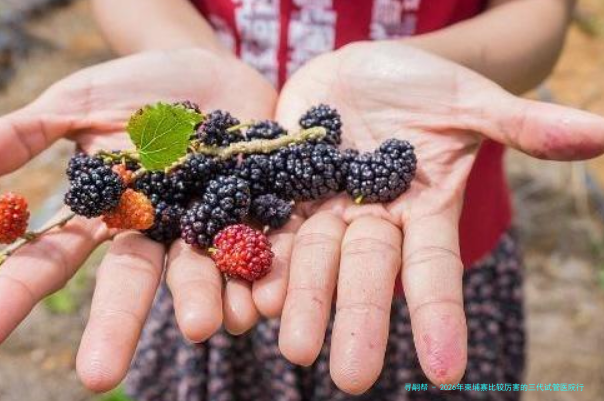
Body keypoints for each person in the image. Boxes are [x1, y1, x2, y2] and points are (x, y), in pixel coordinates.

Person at [0, 0, 602, 400]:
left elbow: (537, 12)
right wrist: (185, 50)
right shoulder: (205, 182)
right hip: (222, 293)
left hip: (436, 250)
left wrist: (433, 67)